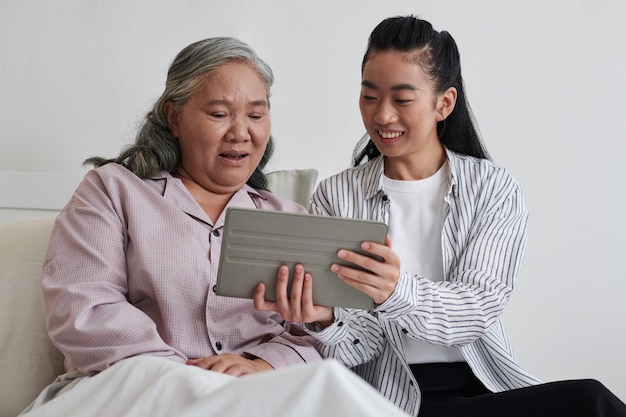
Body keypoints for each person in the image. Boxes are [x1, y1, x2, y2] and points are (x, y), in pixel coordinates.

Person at [254, 15, 626, 417]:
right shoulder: (335, 195)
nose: (382, 116)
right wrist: (324, 319)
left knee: (590, 401)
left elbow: (476, 310)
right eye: (369, 96)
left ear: (443, 103)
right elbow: (358, 346)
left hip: (485, 386)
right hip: (386, 397)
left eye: (402, 99)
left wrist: (396, 291)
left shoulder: (493, 188)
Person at [19, 37, 411, 417]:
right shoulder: (112, 191)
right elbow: (84, 309)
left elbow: (318, 339)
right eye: (220, 114)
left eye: (256, 115)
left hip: (255, 395)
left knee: (329, 387)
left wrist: (266, 363)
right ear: (173, 117)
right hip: (136, 386)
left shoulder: (288, 218)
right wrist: (186, 376)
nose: (241, 132)